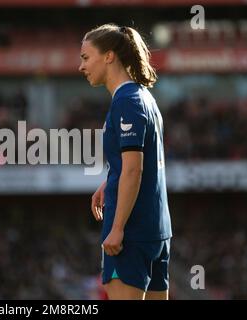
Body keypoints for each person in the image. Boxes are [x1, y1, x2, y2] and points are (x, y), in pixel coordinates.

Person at [79, 24, 172, 300]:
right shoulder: (145, 98)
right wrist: (111, 182)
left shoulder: (126, 102)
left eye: (86, 58)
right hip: (156, 230)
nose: (81, 67)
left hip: (131, 232)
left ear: (109, 56)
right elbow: (138, 161)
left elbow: (134, 168)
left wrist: (117, 228)